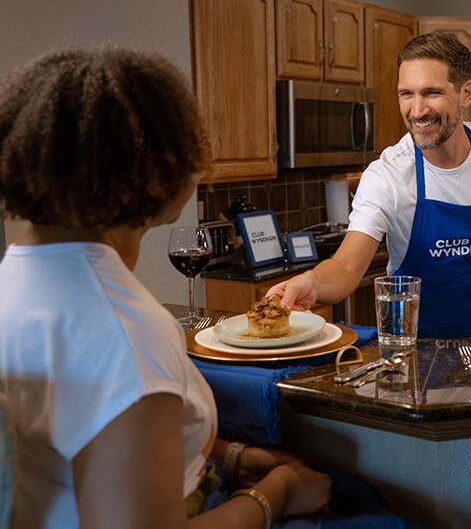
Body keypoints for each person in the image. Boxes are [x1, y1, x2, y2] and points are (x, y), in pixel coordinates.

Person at [0, 48, 332, 528]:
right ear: (157, 168)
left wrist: (233, 457)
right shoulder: (123, 330)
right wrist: (276, 494)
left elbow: (84, 441)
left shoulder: (17, 277)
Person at [269, 32, 471, 338]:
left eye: (431, 93)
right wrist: (311, 281)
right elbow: (346, 267)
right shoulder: (387, 175)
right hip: (411, 353)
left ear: (466, 93)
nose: (416, 110)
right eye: (406, 94)